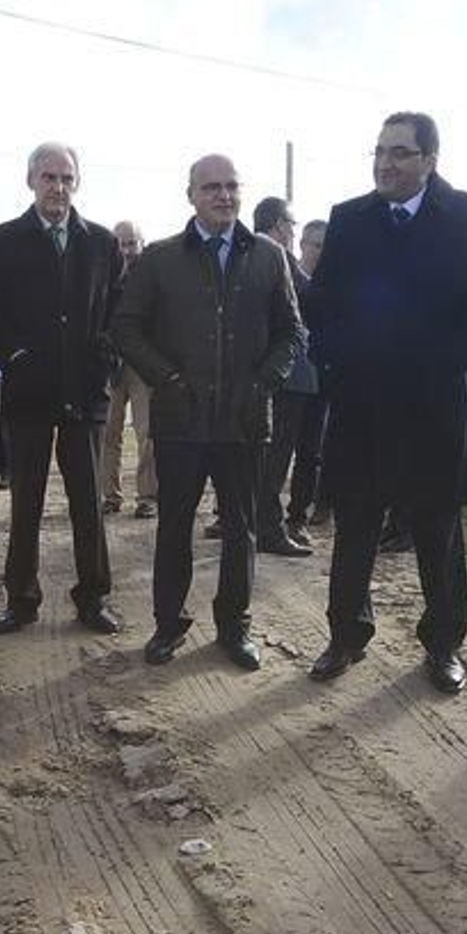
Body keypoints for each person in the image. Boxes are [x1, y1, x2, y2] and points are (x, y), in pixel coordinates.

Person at [305, 112, 467, 692]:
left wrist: (445, 362)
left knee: (437, 528)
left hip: (433, 400)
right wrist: (339, 359)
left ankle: (443, 645)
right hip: (362, 401)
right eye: (378, 151)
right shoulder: (350, 218)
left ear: (429, 160)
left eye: (399, 152)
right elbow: (325, 302)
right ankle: (346, 636)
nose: (384, 164)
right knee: (356, 524)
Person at [112, 154, 303, 671]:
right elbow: (126, 327)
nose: (223, 196)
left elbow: (291, 331)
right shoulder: (160, 259)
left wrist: (264, 382)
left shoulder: (268, 257)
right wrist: (167, 379)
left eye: (231, 187)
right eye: (211, 187)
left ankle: (234, 627)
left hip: (243, 420)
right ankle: (167, 624)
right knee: (174, 524)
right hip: (181, 419)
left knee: (242, 526)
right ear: (191, 195)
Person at [0, 142, 124, 636]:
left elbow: (118, 316)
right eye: (48, 177)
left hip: (84, 394)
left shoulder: (101, 244)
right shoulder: (3, 241)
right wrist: (16, 360)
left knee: (88, 501)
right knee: (27, 503)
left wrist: (103, 361)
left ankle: (93, 597)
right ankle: (21, 599)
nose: (58, 187)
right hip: (30, 395)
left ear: (77, 182)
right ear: (30, 180)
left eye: (66, 178)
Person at [251, 196, 318, 558]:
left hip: (269, 370)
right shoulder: (276, 259)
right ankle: (268, 529)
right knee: (276, 455)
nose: (294, 230)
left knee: (265, 454)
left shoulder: (247, 253)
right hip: (286, 374)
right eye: (292, 224)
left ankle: (254, 522)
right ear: (278, 224)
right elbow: (311, 301)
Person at [100, 221, 157, 518]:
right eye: (120, 243)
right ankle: (110, 495)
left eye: (131, 243)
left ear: (141, 244)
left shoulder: (152, 277)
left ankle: (147, 496)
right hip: (110, 364)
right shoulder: (101, 274)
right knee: (108, 432)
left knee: (147, 432)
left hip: (142, 365)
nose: (126, 250)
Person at [288, 218, 330, 541]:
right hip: (288, 381)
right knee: (277, 451)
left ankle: (297, 517)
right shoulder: (286, 279)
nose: (320, 251)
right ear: (302, 244)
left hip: (322, 383)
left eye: (325, 246)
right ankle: (264, 516)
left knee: (310, 453)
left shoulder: (333, 288)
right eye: (315, 244)